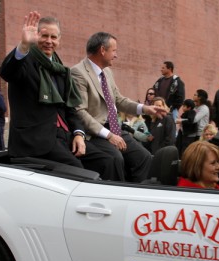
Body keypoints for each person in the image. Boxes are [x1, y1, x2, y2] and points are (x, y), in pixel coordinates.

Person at [0, 12, 116, 180]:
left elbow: (70, 109)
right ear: (36, 36)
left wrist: (78, 134)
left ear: (59, 40)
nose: (49, 41)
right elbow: (7, 72)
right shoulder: (25, 62)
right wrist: (24, 45)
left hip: (64, 136)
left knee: (108, 161)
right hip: (35, 141)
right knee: (78, 172)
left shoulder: (61, 70)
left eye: (53, 37)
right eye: (44, 35)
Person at [70, 31, 166, 182]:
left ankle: (138, 195)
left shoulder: (107, 72)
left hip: (115, 128)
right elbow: (80, 112)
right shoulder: (78, 73)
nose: (116, 55)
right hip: (95, 133)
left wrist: (145, 109)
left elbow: (119, 100)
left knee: (144, 157)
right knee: (115, 159)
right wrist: (109, 136)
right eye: (114, 50)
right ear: (102, 50)